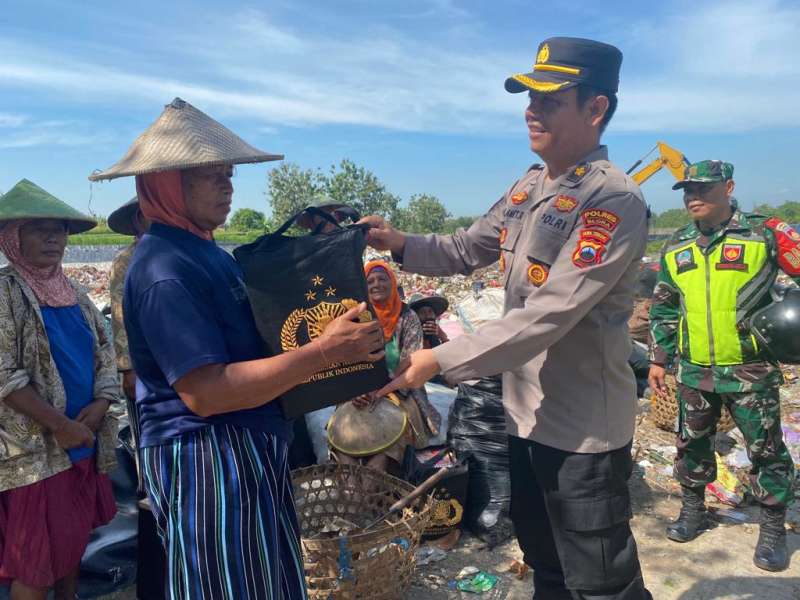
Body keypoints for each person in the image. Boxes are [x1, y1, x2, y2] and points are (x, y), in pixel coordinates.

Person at [362, 38, 653, 599]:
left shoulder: (611, 199)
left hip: (581, 430)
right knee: (545, 562)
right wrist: (397, 241)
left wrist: (437, 360)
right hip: (525, 418)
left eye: (549, 99)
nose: (530, 109)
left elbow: (548, 314)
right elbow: (463, 247)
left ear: (596, 109)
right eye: (528, 97)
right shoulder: (528, 187)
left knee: (601, 581)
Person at [88, 98, 385, 600]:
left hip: (246, 444)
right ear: (167, 183)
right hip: (205, 457)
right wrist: (326, 353)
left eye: (229, 174)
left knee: (264, 581)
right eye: (211, 175)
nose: (227, 185)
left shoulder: (207, 252)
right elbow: (206, 393)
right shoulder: (164, 269)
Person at [647, 160, 797, 572]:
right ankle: (693, 511)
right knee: (691, 445)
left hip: (750, 370)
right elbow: (663, 307)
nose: (692, 197)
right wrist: (659, 358)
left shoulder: (764, 233)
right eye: (686, 190)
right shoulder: (676, 245)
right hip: (695, 371)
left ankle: (771, 528)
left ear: (728, 187)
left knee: (766, 450)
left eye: (703, 189)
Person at [0, 179, 119, 600]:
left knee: (71, 545)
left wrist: (102, 403)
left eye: (60, 229)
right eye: (38, 228)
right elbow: (4, 376)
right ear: (12, 237)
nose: (54, 237)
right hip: (36, 449)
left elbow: (105, 358)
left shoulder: (77, 295)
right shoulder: (6, 292)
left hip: (81, 441)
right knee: (34, 559)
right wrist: (59, 425)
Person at [330, 260, 441, 473]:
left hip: (399, 390)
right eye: (370, 280)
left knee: (388, 443)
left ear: (392, 282)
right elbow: (344, 362)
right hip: (358, 392)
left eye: (382, 278)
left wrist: (381, 391)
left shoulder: (408, 317)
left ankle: (373, 494)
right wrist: (356, 390)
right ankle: (352, 495)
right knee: (343, 437)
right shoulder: (354, 318)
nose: (376, 284)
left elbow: (411, 364)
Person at [107, 196, 150, 403]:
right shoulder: (127, 259)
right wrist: (127, 367)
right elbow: (119, 312)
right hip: (145, 356)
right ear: (137, 220)